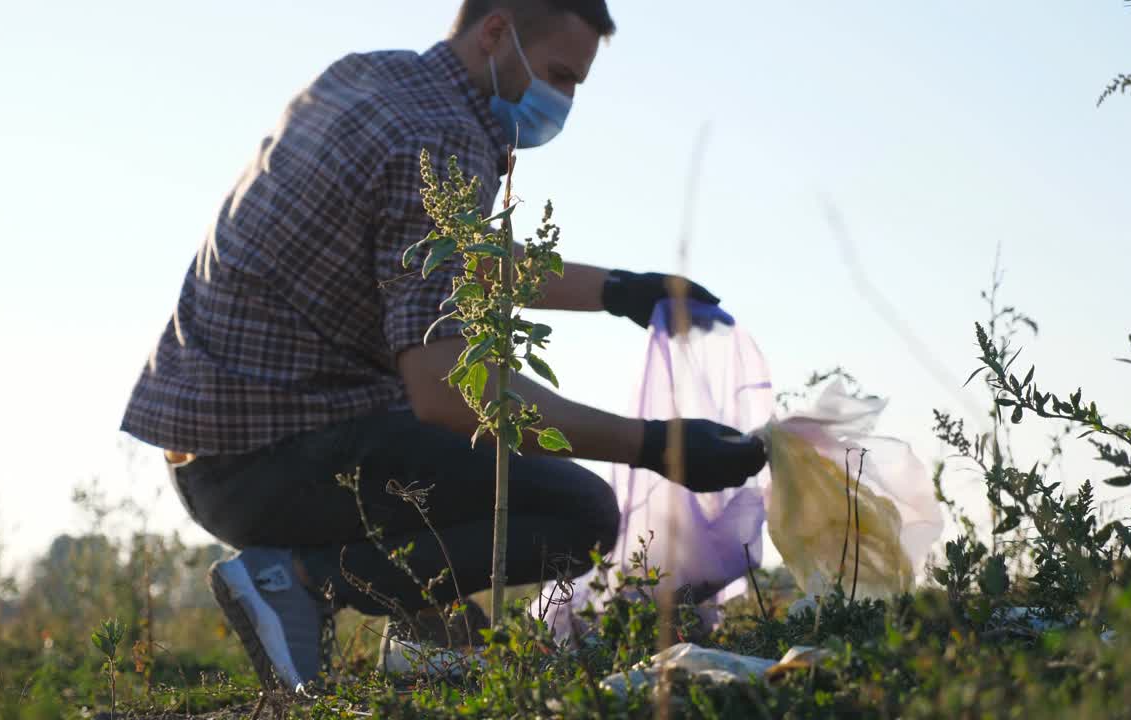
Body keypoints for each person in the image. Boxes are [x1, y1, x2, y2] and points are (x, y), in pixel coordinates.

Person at [120, 0, 767, 694]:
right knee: (578, 513)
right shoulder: (441, 139)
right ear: (495, 30)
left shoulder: (372, 80)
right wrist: (651, 445)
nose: (562, 100)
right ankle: (300, 581)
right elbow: (446, 387)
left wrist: (617, 290)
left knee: (452, 467)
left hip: (212, 446)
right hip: (274, 458)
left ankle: (426, 633)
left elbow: (430, 258)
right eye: (558, 75)